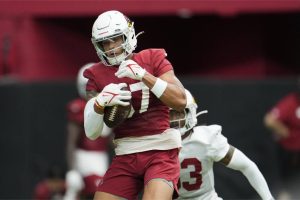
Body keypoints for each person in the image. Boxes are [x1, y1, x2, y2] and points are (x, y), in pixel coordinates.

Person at [83, 10, 186, 200]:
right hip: (126, 153)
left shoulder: (152, 58)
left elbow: (180, 100)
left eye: (115, 39)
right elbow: (92, 133)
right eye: (105, 42)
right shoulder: (95, 74)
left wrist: (144, 76)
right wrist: (99, 103)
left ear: (128, 35)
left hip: (161, 150)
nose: (111, 47)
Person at [170, 89, 274, 200]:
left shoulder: (206, 139)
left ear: (190, 112)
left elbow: (247, 166)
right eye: (170, 114)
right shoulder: (155, 144)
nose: (175, 120)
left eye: (179, 113)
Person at [64, 63, 112, 200]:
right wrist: (72, 170)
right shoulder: (79, 107)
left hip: (102, 159)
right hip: (84, 159)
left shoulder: (109, 107)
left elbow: (111, 141)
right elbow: (71, 142)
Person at [264, 82, 300, 199]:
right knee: (288, 190)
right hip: (292, 155)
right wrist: (286, 133)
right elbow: (269, 120)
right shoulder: (291, 102)